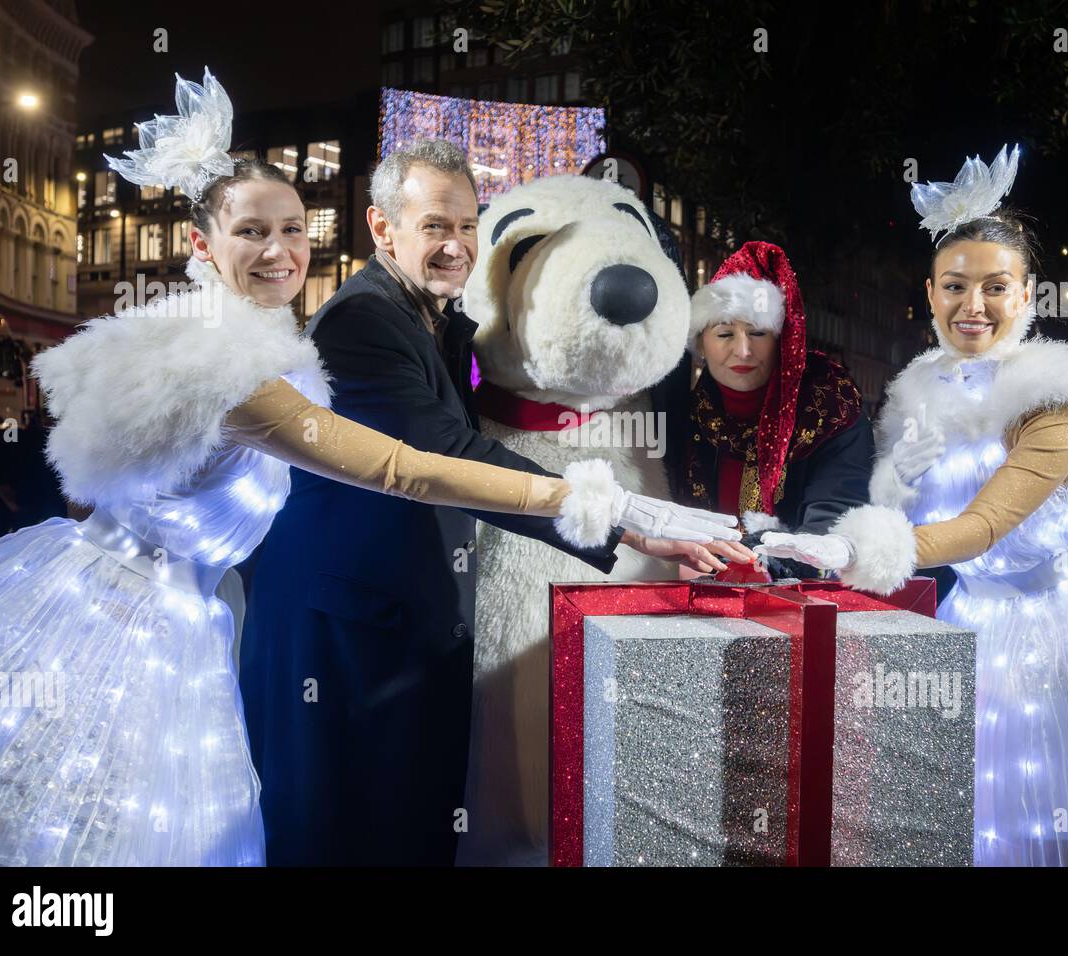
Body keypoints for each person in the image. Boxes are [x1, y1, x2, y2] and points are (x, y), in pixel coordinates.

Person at [0, 70, 736, 867]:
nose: (280, 252)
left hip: (220, 619)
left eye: (294, 230)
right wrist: (615, 511)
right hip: (165, 627)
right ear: (202, 244)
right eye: (253, 234)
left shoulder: (328, 332)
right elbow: (412, 466)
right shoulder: (275, 349)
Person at [239, 140, 741, 865]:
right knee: (342, 830)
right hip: (346, 630)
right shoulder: (362, 324)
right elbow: (444, 459)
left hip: (395, 619)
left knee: (408, 825)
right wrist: (614, 514)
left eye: (469, 226)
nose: (456, 246)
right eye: (435, 225)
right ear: (383, 229)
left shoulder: (433, 317)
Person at [758, 145, 1068, 866]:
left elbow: (986, 525)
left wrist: (855, 548)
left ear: (1027, 296)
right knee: (978, 822)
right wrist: (890, 485)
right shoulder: (916, 391)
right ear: (929, 295)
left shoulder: (1053, 398)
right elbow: (904, 506)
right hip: (974, 626)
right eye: (955, 287)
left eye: (996, 287)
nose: (973, 307)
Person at [667, 241, 873, 573]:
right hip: (698, 596)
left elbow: (835, 521)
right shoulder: (690, 413)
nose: (743, 351)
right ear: (700, 343)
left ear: (783, 340)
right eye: (724, 334)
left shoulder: (830, 405)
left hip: (799, 598)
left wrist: (743, 565)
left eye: (758, 332)